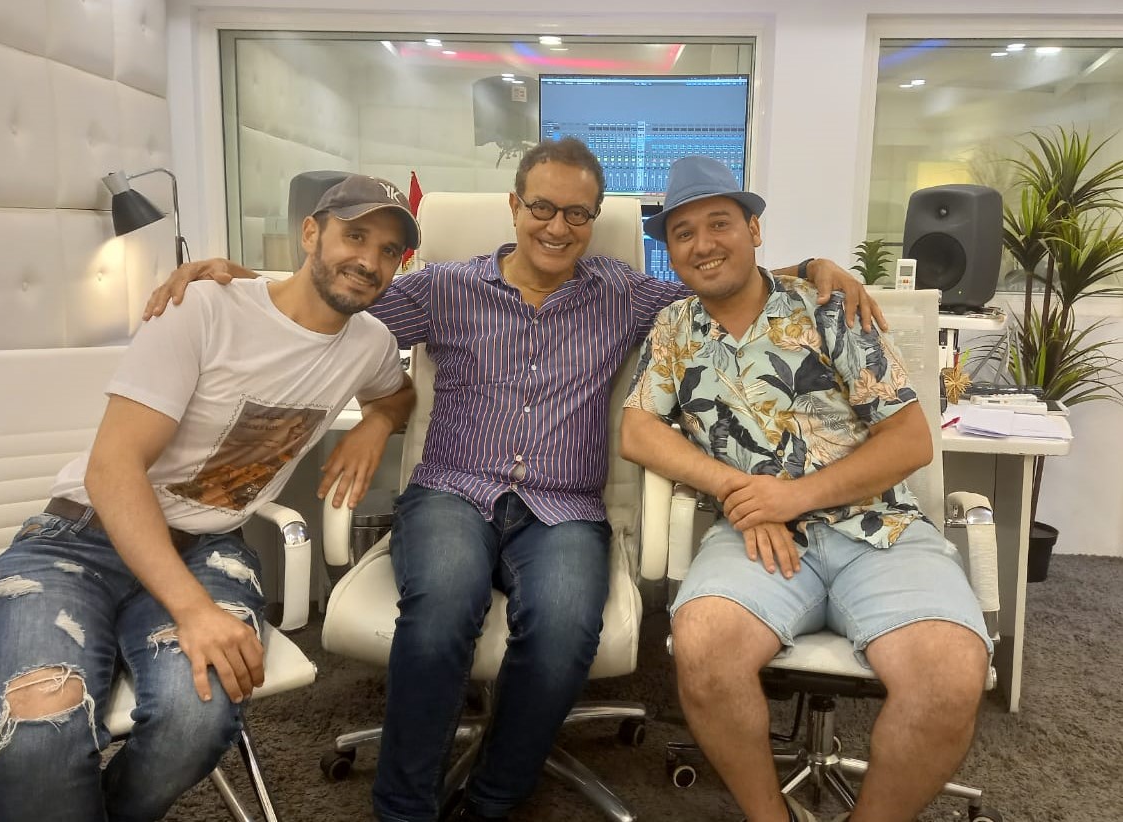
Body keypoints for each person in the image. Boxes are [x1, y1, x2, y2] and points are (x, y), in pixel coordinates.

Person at [142, 138, 883, 822]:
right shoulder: (444, 287)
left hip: (565, 507)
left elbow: (717, 288)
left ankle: (493, 797)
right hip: (452, 491)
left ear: (594, 219)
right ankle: (403, 810)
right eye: (542, 208)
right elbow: (335, 302)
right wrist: (238, 280)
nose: (557, 227)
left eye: (577, 214)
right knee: (442, 611)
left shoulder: (621, 294)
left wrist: (811, 268)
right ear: (514, 206)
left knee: (565, 629)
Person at [0, 174, 418, 821]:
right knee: (37, 736)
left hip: (209, 547)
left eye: (388, 250)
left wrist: (376, 423)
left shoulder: (370, 344)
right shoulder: (203, 307)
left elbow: (397, 394)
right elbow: (111, 469)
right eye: (355, 236)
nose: (369, 260)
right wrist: (192, 610)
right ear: (310, 233)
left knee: (199, 717)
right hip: (80, 541)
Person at [619, 156, 992, 822]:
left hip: (877, 529)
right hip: (754, 536)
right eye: (682, 233)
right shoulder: (674, 328)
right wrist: (741, 489)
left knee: (948, 676)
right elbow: (638, 430)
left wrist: (794, 496)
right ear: (669, 251)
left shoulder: (827, 307)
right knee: (703, 649)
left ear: (754, 230)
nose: (702, 244)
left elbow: (909, 441)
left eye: (719, 223)